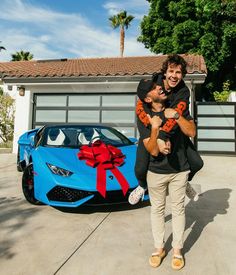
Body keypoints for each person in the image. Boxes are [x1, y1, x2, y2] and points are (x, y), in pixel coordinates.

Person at [136, 77, 196, 270]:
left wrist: (177, 117)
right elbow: (152, 151)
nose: (159, 87)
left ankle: (177, 250)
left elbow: (192, 131)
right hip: (155, 172)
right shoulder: (143, 117)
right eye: (154, 88)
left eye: (157, 85)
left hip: (179, 170)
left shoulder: (177, 105)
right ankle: (159, 248)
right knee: (157, 210)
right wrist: (154, 130)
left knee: (178, 210)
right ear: (147, 99)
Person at [128, 54, 203, 205]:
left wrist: (163, 136)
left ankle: (185, 181)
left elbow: (177, 112)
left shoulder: (183, 91)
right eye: (171, 71)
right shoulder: (155, 83)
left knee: (197, 163)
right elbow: (142, 102)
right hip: (152, 125)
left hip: (174, 126)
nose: (174, 76)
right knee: (140, 168)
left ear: (182, 74)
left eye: (178, 72)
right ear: (165, 72)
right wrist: (154, 129)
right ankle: (142, 186)